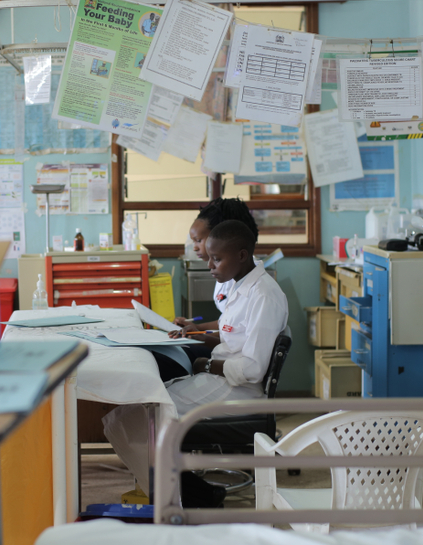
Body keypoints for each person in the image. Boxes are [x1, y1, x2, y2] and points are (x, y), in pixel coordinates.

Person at [104, 220, 288, 507]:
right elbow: (233, 337)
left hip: (237, 389)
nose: (211, 265)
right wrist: (194, 337)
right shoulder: (242, 288)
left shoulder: (263, 296)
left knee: (129, 420)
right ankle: (192, 493)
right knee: (126, 416)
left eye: (217, 259)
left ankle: (188, 498)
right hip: (223, 379)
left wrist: (205, 366)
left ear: (242, 255)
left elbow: (252, 369)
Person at [151, 198, 261, 381]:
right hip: (225, 349)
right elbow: (229, 322)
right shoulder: (227, 272)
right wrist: (196, 329)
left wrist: (200, 337)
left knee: (163, 361)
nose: (194, 247)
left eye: (199, 240)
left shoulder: (248, 280)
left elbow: (239, 338)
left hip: (232, 359)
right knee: (161, 353)